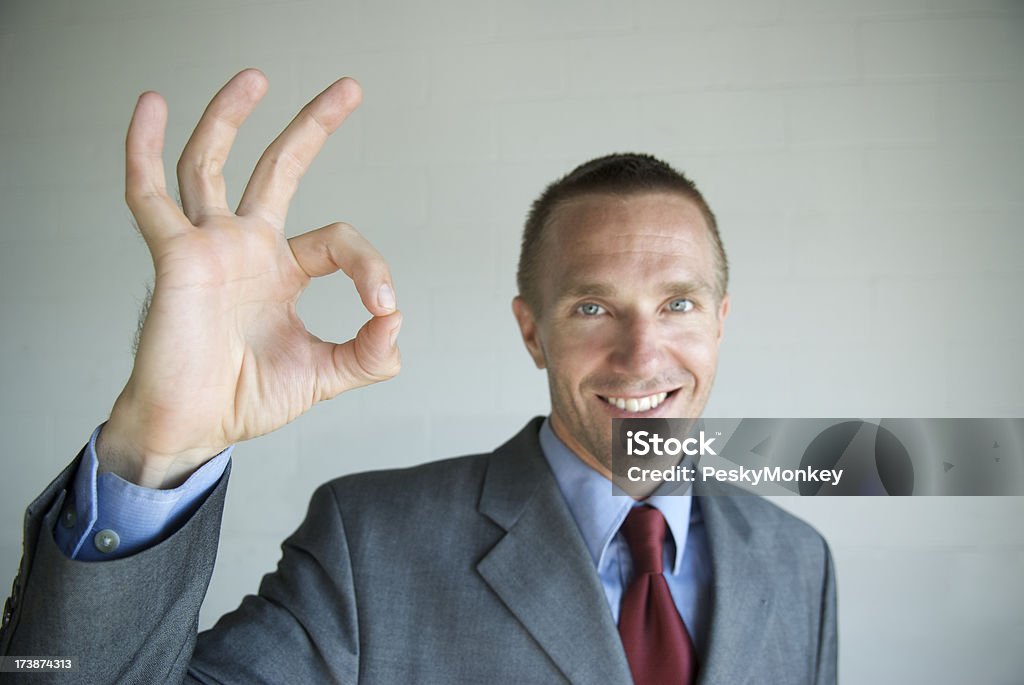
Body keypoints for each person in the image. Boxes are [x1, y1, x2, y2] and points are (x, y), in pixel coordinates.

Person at [0, 69, 836, 684]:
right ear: (531, 331)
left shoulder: (800, 561)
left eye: (680, 304)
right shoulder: (370, 544)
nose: (644, 354)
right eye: (592, 308)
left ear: (722, 322)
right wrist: (157, 446)